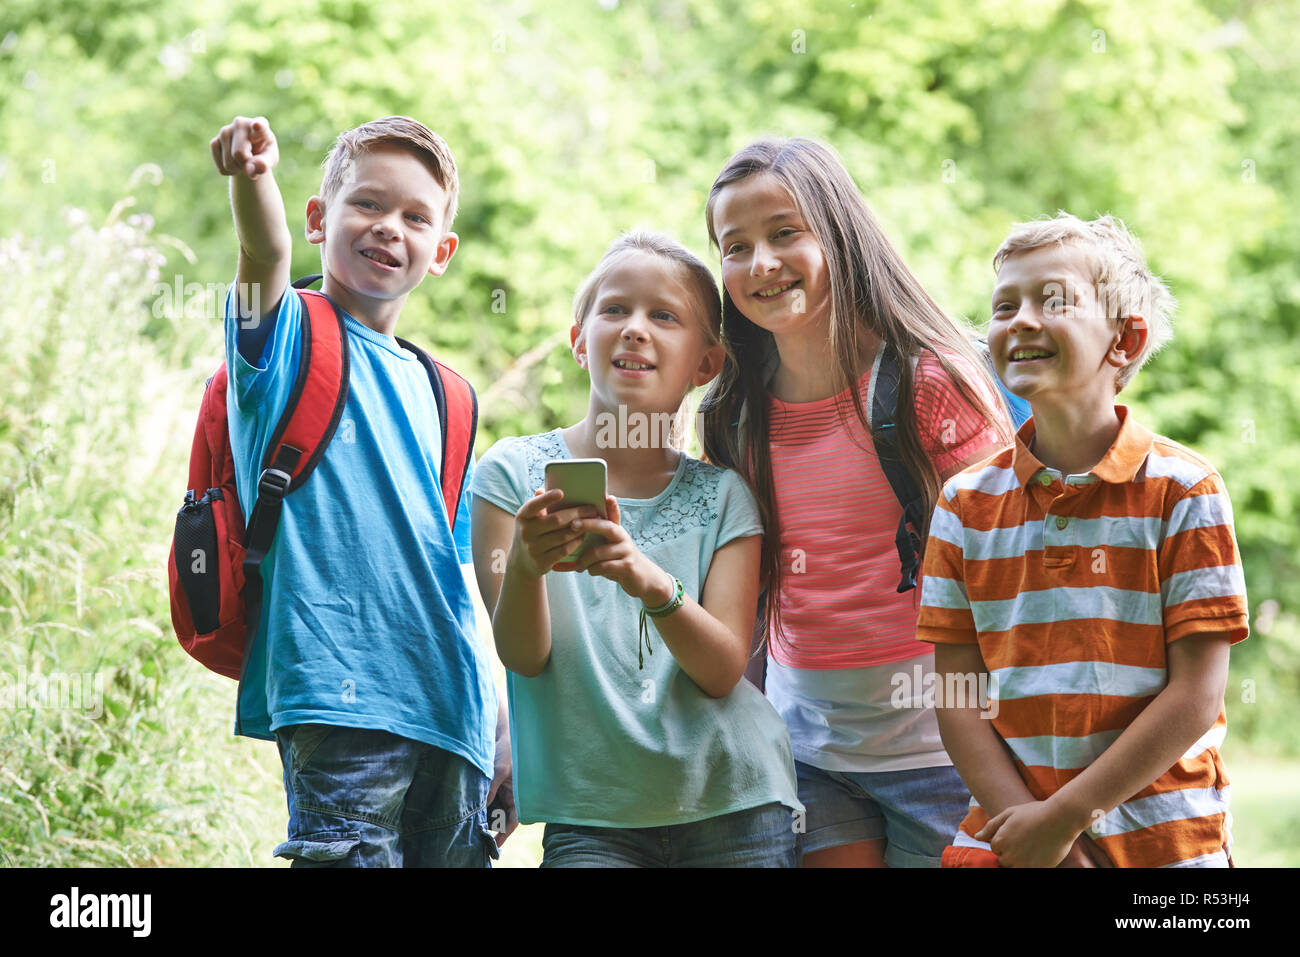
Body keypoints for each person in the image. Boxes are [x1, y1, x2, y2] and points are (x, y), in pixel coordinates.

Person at [700, 138, 1013, 867]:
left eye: (784, 233)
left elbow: (1007, 572)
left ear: (838, 233)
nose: (761, 264)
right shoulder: (733, 411)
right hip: (808, 754)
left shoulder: (927, 381)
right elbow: (747, 594)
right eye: (734, 246)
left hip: (945, 750)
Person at [210, 114, 511, 867]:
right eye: (367, 204)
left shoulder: (450, 397)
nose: (388, 228)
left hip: (456, 712)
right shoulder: (282, 341)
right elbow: (262, 252)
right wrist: (253, 179)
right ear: (320, 218)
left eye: (416, 216)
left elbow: (465, 578)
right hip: (339, 699)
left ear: (441, 251)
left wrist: (504, 722)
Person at [918, 212, 1248, 867]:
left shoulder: (1185, 491)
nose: (1019, 319)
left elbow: (1196, 695)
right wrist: (1038, 837)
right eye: (1005, 305)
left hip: (1165, 844)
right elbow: (957, 696)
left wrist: (1068, 816)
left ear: (1123, 340)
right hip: (1015, 840)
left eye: (1053, 299)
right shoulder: (962, 504)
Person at [470, 230, 803, 867]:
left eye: (665, 316)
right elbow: (524, 656)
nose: (634, 329)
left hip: (736, 802)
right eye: (614, 310)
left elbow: (721, 670)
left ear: (707, 364)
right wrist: (527, 565)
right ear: (578, 339)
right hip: (592, 816)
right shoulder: (513, 473)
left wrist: (650, 581)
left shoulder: (725, 495)